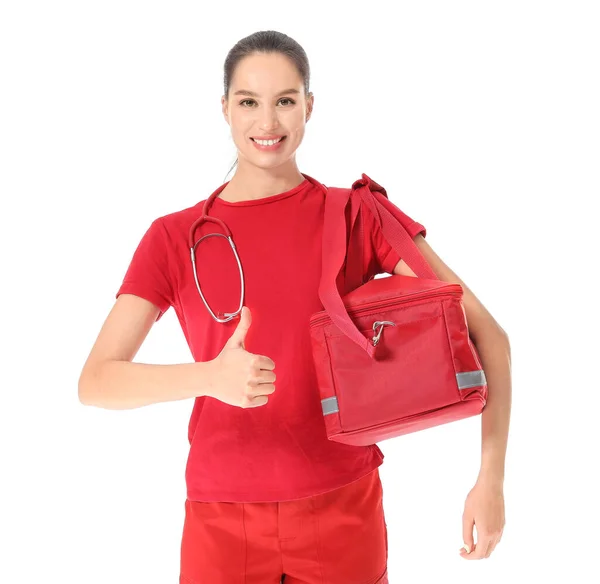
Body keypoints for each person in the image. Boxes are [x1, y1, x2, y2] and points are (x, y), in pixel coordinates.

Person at [78, 29, 509, 584]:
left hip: (341, 506)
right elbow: (96, 381)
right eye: (248, 102)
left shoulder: (356, 216)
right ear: (224, 109)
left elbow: (488, 337)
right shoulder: (174, 237)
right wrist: (209, 377)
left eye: (285, 100)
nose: (268, 122)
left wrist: (490, 478)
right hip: (221, 517)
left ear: (309, 105)